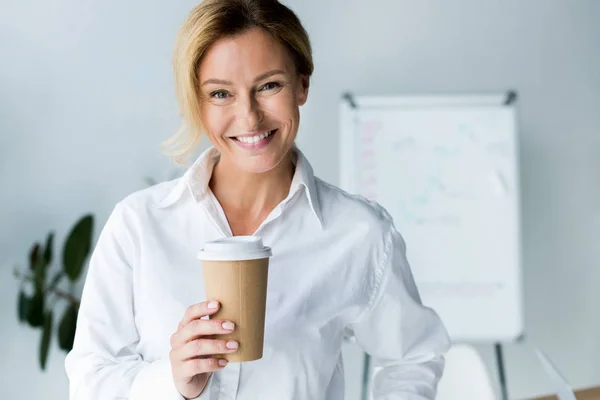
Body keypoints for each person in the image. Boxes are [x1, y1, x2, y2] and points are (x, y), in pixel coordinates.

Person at [64, 0, 451, 399]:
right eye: (220, 94)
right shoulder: (139, 225)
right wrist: (173, 381)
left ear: (302, 84)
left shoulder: (357, 233)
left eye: (269, 86)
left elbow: (413, 357)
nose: (249, 117)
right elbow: (90, 381)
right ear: (197, 102)